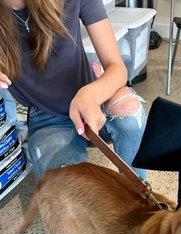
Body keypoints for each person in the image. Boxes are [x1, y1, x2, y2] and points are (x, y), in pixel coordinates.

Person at [0, 0, 147, 180]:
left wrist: (89, 95)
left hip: (93, 100)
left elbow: (117, 67)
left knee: (127, 108)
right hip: (46, 117)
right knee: (69, 188)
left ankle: (141, 197)